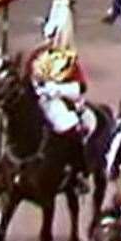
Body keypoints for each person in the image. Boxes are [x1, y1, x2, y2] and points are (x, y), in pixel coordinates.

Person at [26, 29, 91, 192]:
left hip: (58, 103)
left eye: (54, 36)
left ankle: (77, 173)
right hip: (36, 100)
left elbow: (80, 87)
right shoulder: (36, 56)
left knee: (70, 127)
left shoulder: (69, 59)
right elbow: (25, 78)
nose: (50, 39)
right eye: (48, 35)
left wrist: (56, 88)